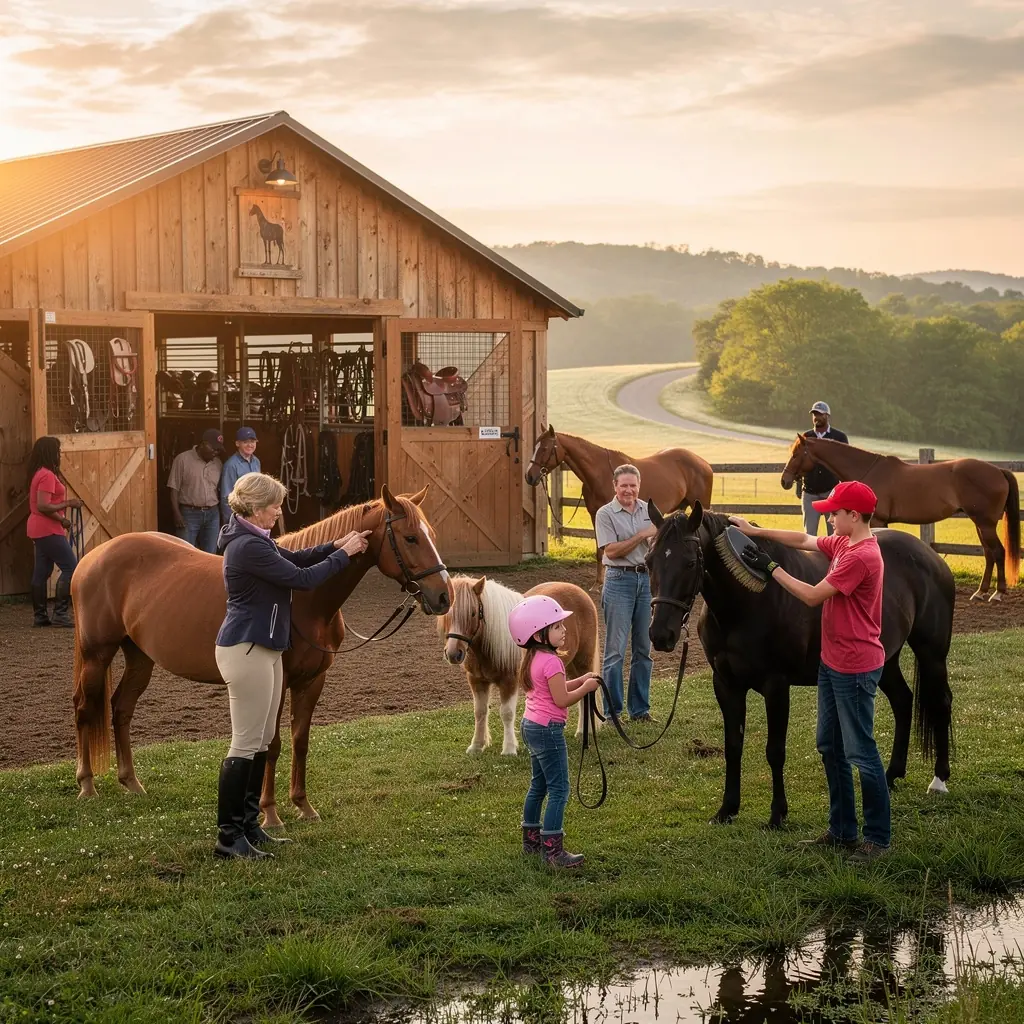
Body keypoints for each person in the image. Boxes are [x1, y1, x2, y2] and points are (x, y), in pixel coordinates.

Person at [213, 472, 371, 860]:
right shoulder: (247, 546)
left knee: (263, 739)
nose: (279, 512)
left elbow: (297, 557)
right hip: (246, 648)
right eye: (274, 506)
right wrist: (343, 555)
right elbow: (302, 578)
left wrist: (336, 543)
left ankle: (250, 827)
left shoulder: (256, 539)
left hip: (264, 648)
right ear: (254, 507)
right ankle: (228, 837)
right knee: (245, 743)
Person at [729, 481, 889, 865]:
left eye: (834, 513)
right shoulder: (844, 542)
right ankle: (842, 830)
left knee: (861, 751)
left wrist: (770, 568)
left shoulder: (861, 556)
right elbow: (802, 538)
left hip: (855, 666)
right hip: (832, 662)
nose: (828, 518)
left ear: (853, 516)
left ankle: (877, 839)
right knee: (829, 746)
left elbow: (813, 595)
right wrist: (754, 531)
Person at [508, 594, 601, 869]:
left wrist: (581, 679)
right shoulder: (552, 662)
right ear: (539, 634)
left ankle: (531, 841)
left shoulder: (534, 658)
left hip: (531, 726)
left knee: (538, 785)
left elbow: (555, 690)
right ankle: (553, 852)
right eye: (558, 626)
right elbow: (561, 700)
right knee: (559, 789)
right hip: (549, 731)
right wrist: (585, 689)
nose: (565, 630)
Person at [594, 464, 657, 723]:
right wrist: (642, 535)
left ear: (639, 486)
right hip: (619, 581)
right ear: (615, 486)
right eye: (624, 485)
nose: (628, 490)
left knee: (644, 648)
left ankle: (640, 709)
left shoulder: (649, 510)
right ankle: (613, 712)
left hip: (647, 581)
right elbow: (610, 551)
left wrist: (653, 539)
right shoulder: (605, 513)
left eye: (633, 485)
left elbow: (658, 542)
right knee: (615, 651)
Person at [25, 436, 84, 628]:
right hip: (47, 528)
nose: (59, 455)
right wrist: (67, 507)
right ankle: (60, 614)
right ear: (50, 452)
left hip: (40, 528)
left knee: (42, 571)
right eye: (57, 451)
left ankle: (40, 616)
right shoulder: (47, 475)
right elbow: (43, 506)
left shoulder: (40, 473)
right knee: (71, 567)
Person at [167, 428, 225, 553]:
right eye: (213, 448)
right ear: (203, 444)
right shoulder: (182, 459)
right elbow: (174, 489)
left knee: (210, 555)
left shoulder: (218, 463)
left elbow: (220, 490)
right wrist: (176, 514)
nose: (215, 452)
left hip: (212, 514)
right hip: (189, 513)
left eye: (218, 450)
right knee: (185, 553)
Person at [801, 401, 849, 537]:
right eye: (814, 414)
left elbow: (845, 465)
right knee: (809, 534)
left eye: (820, 414)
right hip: (809, 493)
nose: (816, 417)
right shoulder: (806, 436)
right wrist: (799, 488)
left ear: (827, 416)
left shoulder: (839, 437)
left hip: (831, 493)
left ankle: (834, 559)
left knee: (835, 534)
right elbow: (799, 464)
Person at [220, 427, 261, 524]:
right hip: (239, 516)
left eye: (253, 441)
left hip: (255, 514)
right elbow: (226, 497)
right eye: (245, 442)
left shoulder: (256, 462)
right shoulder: (230, 465)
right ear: (237, 443)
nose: (250, 445)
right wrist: (231, 522)